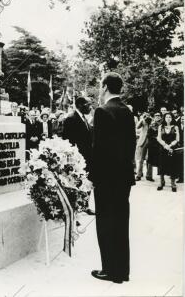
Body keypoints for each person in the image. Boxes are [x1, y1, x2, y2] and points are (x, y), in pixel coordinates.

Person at [90, 72, 136, 284]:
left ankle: (109, 269)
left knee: (106, 224)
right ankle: (122, 271)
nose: (100, 90)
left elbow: (99, 149)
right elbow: (130, 146)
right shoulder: (127, 111)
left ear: (105, 87)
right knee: (120, 223)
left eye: (101, 86)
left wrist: (92, 177)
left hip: (107, 180)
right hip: (123, 178)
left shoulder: (102, 111)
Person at [63, 96, 95, 215]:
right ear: (80, 105)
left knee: (87, 182)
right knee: (76, 184)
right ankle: (74, 211)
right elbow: (67, 141)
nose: (90, 107)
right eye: (88, 104)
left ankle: (84, 206)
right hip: (77, 159)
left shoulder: (84, 118)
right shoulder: (71, 119)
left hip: (86, 158)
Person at [157, 112, 180, 192]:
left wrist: (170, 145)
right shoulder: (161, 126)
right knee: (162, 164)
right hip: (163, 147)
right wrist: (165, 145)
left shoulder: (176, 127)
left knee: (172, 165)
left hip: (172, 148)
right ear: (164, 118)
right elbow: (158, 138)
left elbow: (177, 139)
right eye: (167, 117)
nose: (168, 118)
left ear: (172, 118)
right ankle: (161, 181)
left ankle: (173, 183)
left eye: (170, 117)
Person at [135, 113, 153, 181]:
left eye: (148, 116)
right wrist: (142, 119)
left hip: (151, 141)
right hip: (143, 141)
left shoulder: (152, 121)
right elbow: (137, 127)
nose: (147, 117)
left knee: (150, 159)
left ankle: (149, 175)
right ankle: (139, 175)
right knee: (141, 159)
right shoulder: (143, 121)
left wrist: (151, 119)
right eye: (146, 116)